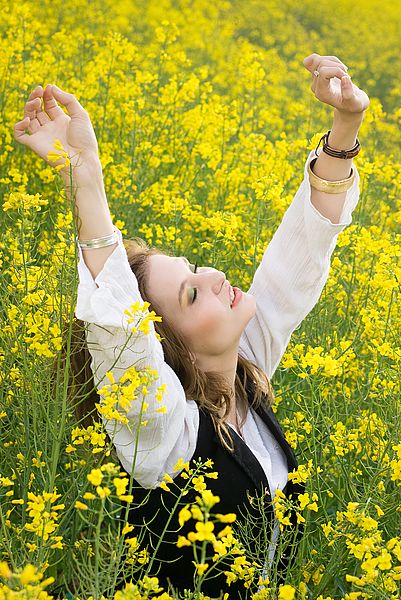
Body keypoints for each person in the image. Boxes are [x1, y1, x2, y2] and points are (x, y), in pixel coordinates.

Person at [14, 52, 369, 598]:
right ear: (167, 348)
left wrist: (344, 128)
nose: (217, 276)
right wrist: (84, 173)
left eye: (197, 269)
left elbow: (297, 262)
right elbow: (121, 332)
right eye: (191, 293)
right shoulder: (163, 435)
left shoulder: (242, 372)